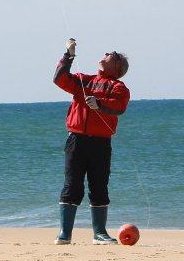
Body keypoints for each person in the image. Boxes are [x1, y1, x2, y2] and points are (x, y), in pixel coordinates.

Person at [52, 38, 130, 245]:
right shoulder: (84, 80)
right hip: (76, 140)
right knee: (72, 185)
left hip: (100, 143)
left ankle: (100, 233)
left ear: (117, 66)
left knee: (99, 186)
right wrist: (68, 55)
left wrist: (99, 103)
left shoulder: (119, 87)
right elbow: (60, 79)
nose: (105, 53)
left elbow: (119, 106)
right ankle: (64, 233)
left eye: (110, 54)